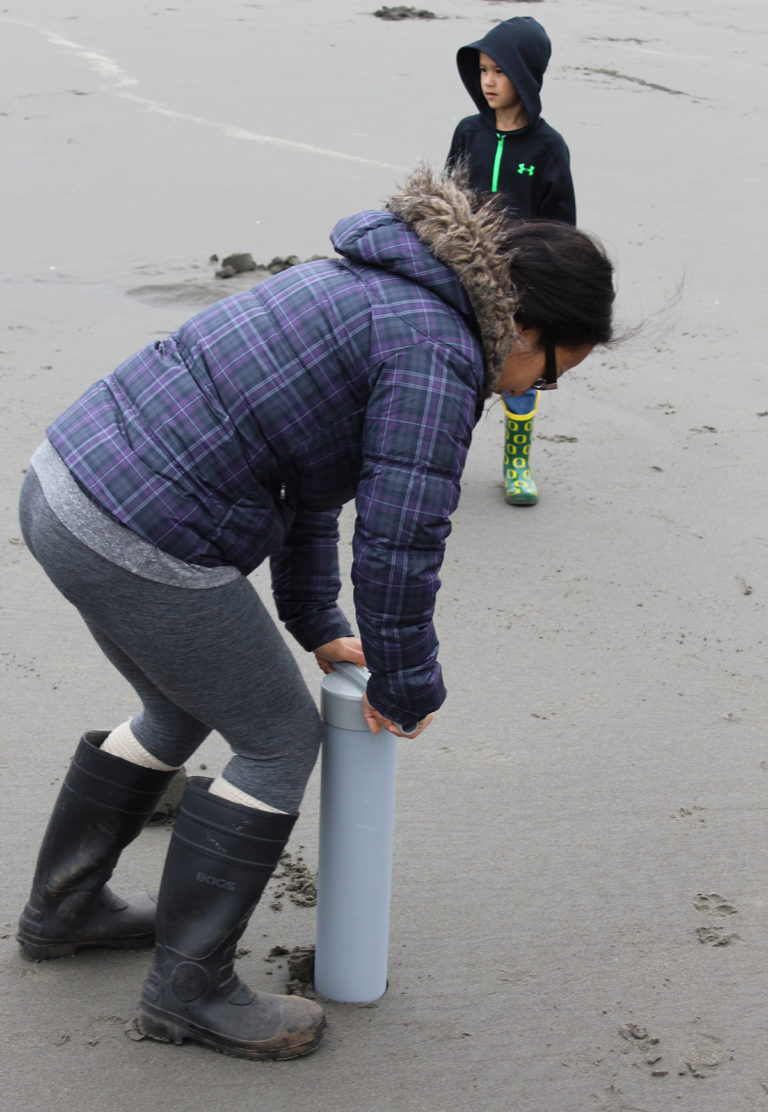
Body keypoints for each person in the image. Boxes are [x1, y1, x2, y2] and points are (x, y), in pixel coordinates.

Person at [16, 166, 614, 1062]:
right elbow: (401, 539)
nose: (537, 390)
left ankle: (64, 908)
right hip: (137, 531)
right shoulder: (439, 351)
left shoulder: (373, 280)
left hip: (63, 486)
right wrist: (408, 685)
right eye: (553, 372)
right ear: (528, 327)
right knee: (280, 736)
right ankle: (188, 991)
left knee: (182, 703)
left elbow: (304, 473)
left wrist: (312, 616)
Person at [447, 16, 576, 506]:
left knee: (519, 370)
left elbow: (561, 224)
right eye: (483, 69)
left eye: (501, 70)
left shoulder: (548, 147)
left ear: (526, 75)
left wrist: (551, 283)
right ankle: (445, 456)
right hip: (463, 273)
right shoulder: (467, 133)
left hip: (520, 280)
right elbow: (446, 200)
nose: (489, 81)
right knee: (459, 369)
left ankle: (516, 464)